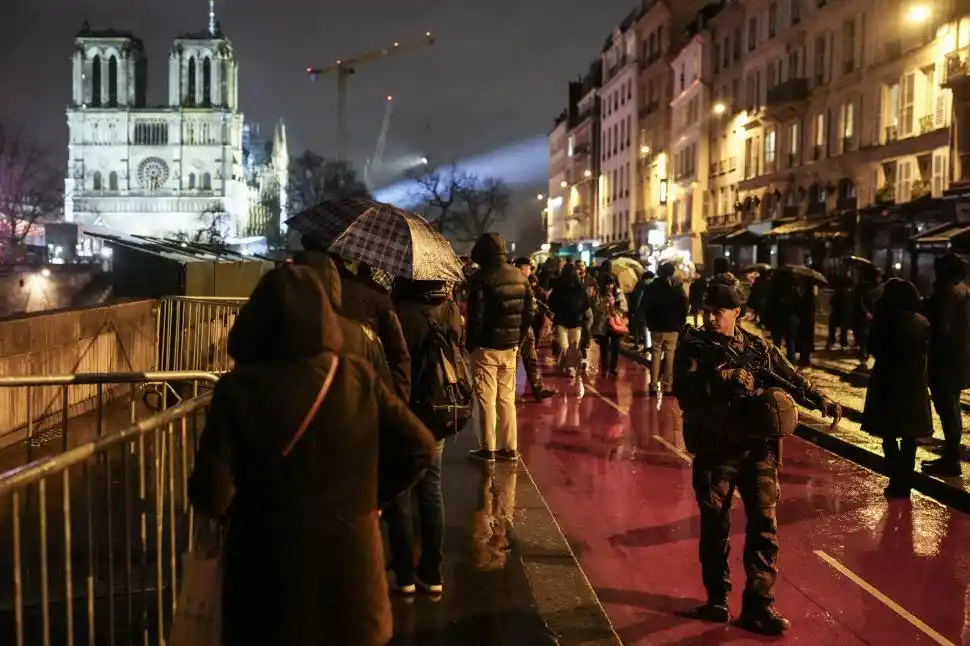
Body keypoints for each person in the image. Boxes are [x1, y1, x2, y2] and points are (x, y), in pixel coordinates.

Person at [188, 263, 436, 646]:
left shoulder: (237, 391)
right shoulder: (356, 378)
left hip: (267, 579)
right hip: (350, 578)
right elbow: (419, 447)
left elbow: (210, 493)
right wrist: (371, 498)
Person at [672, 273, 841, 636]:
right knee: (715, 527)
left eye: (719, 312)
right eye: (707, 311)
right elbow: (683, 389)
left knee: (764, 528)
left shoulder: (757, 347)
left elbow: (788, 375)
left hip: (757, 451)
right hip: (716, 450)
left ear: (738, 312)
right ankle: (717, 600)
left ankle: (759, 606)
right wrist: (723, 379)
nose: (710, 318)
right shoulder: (694, 345)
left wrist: (819, 398)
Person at [385, 278, 463, 595]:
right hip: (437, 412)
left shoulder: (398, 312)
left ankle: (404, 575)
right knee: (431, 489)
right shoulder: (449, 311)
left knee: (400, 492)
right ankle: (432, 573)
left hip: (405, 413)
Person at [466, 233, 534, 463]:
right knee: (506, 398)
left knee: (486, 398)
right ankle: (510, 447)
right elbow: (528, 314)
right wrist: (518, 340)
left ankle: (488, 449)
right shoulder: (520, 277)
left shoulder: (480, 278)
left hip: (486, 347)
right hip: (510, 347)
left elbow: (475, 317)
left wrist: (471, 344)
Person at [861, 278, 932, 498]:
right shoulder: (922, 322)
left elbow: (873, 348)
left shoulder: (884, 321)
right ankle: (906, 482)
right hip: (914, 383)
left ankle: (895, 480)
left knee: (889, 435)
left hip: (888, 382)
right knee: (910, 438)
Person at [922, 252, 970, 476]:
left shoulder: (945, 294)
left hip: (945, 361)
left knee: (947, 410)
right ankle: (951, 453)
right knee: (953, 409)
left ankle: (951, 460)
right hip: (960, 359)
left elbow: (940, 329)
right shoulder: (964, 291)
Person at [641, 262, 689, 394]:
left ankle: (653, 384)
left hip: (655, 327)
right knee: (670, 355)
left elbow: (644, 305)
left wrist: (650, 320)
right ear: (670, 274)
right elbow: (684, 306)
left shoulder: (651, 288)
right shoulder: (676, 289)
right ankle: (667, 386)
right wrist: (680, 321)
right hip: (672, 327)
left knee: (655, 354)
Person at [514, 258, 556, 400]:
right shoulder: (514, 281)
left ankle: (537, 388)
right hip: (517, 327)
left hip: (527, 327)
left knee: (532, 358)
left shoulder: (526, 281)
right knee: (514, 360)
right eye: (528, 267)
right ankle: (508, 393)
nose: (530, 270)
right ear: (521, 267)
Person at [547, 264, 591, 377]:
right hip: (576, 321)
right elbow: (586, 304)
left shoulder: (558, 288)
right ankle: (570, 367)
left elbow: (551, 303)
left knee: (564, 345)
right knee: (573, 346)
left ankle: (566, 366)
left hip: (561, 320)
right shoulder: (579, 288)